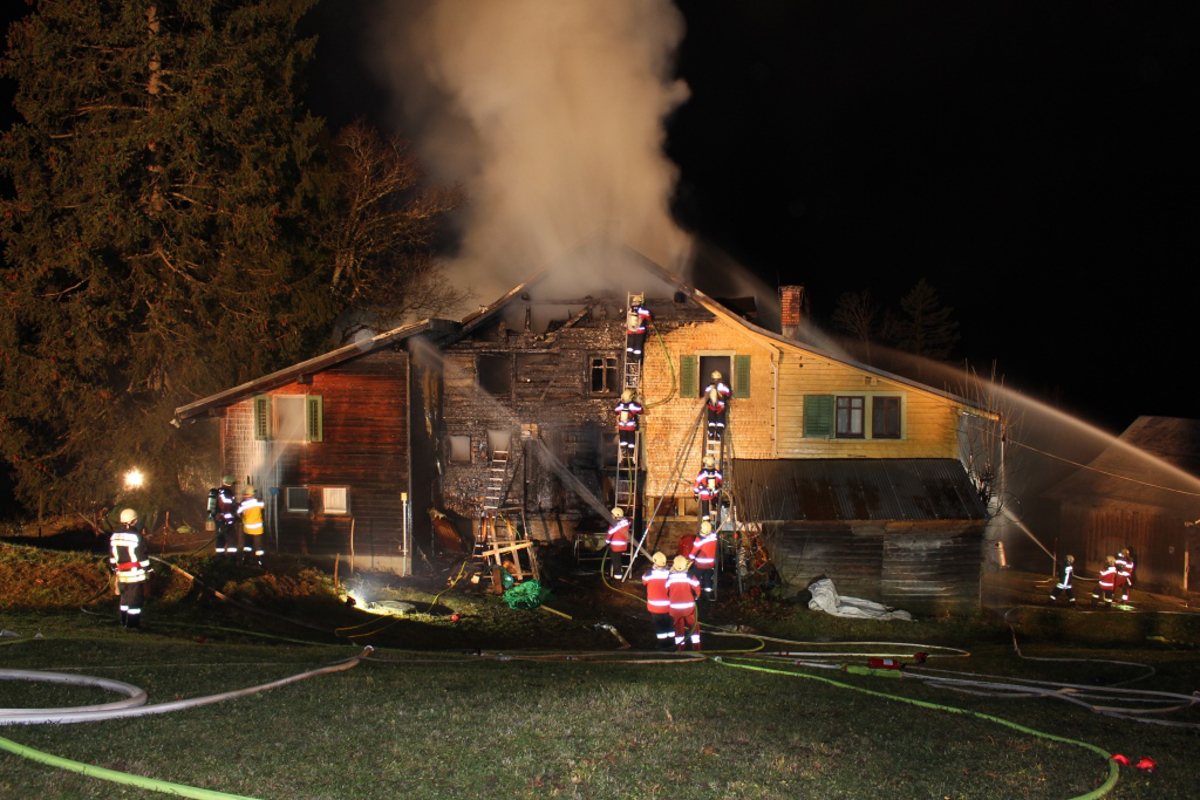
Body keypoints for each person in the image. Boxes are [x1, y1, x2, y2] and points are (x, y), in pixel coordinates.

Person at [109, 508, 150, 630]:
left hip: (121, 574)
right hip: (135, 575)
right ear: (133, 521)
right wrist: (149, 569)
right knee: (135, 601)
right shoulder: (137, 536)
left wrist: (113, 568)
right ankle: (132, 625)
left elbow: (112, 556)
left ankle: (123, 621)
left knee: (124, 600)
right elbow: (142, 556)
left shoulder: (115, 535)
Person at [666, 555, 701, 651]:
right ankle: (696, 648)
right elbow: (697, 588)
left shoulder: (670, 577)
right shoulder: (690, 576)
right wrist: (697, 596)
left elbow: (666, 590)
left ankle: (680, 648)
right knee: (693, 626)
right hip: (688, 607)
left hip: (675, 608)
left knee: (678, 627)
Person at [641, 552, 674, 650]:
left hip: (655, 607)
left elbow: (644, 581)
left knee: (660, 626)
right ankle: (672, 643)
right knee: (670, 625)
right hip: (669, 606)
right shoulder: (670, 574)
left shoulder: (648, 573)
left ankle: (662, 644)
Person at [689, 520, 720, 603]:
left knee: (695, 579)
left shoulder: (699, 540)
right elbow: (714, 534)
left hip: (699, 565)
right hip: (710, 565)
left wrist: (689, 560)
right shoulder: (714, 537)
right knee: (708, 580)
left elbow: (693, 552)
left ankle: (695, 595)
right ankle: (708, 596)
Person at [208, 474, 238, 558]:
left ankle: (220, 557)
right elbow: (227, 508)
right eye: (234, 484)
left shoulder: (219, 491)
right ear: (230, 484)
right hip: (225, 520)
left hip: (218, 519)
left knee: (221, 538)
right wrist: (230, 520)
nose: (234, 486)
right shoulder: (227, 494)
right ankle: (231, 559)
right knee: (232, 539)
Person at [237, 485, 266, 565]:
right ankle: (260, 562)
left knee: (247, 545)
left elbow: (238, 513)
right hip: (258, 529)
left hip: (247, 529)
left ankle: (245, 559)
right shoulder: (259, 502)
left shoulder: (243, 504)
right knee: (259, 547)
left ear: (246, 494)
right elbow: (263, 507)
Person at [614, 389, 643, 464]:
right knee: (631, 441)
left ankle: (624, 452)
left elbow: (615, 412)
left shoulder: (620, 405)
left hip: (622, 426)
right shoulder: (634, 405)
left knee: (623, 440)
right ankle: (631, 452)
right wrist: (639, 402)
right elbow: (640, 411)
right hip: (630, 427)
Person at [703, 371, 731, 441]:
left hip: (712, 406)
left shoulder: (709, 387)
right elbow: (728, 394)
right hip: (720, 407)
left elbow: (705, 394)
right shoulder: (723, 386)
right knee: (720, 421)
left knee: (711, 420)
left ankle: (711, 433)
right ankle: (718, 434)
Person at [605, 507, 632, 579]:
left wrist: (606, 542)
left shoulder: (613, 525)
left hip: (615, 547)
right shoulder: (626, 522)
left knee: (615, 560)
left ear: (615, 516)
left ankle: (618, 575)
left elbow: (609, 534)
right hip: (624, 545)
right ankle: (620, 571)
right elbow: (630, 520)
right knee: (619, 559)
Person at [693, 456, 723, 521]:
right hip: (714, 493)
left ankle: (706, 519)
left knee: (705, 507)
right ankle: (714, 507)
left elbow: (696, 483)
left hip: (705, 494)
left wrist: (695, 493)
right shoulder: (717, 473)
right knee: (715, 497)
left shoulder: (702, 473)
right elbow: (720, 483)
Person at [625, 294, 651, 363]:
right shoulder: (643, 311)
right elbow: (649, 318)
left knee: (630, 345)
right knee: (637, 346)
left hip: (630, 331)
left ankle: (629, 356)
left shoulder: (629, 309)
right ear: (641, 302)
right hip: (639, 331)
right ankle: (636, 359)